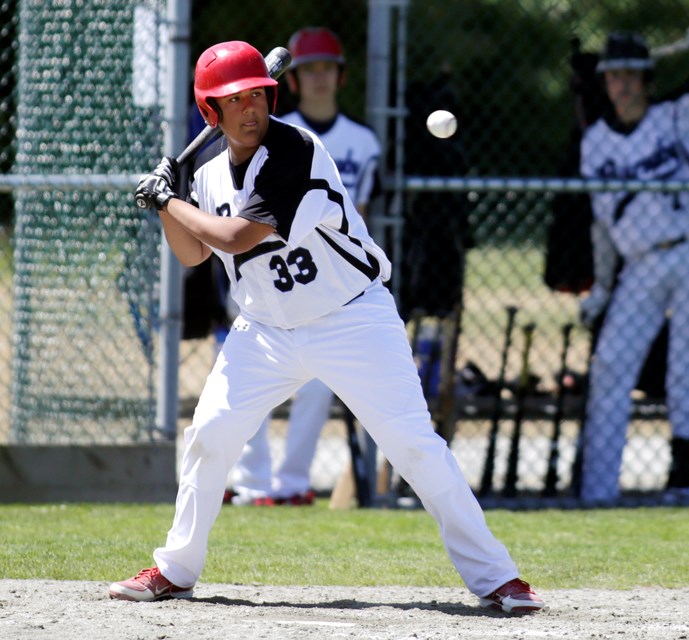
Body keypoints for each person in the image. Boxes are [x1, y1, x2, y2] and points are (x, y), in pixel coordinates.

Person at [108, 41, 543, 614]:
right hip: (264, 329)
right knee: (210, 437)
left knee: (414, 446)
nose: (250, 110)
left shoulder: (296, 151)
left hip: (352, 319)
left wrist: (170, 196)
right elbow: (191, 253)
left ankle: (497, 578)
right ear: (209, 113)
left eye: (257, 96)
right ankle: (176, 569)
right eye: (233, 101)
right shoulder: (209, 173)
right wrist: (169, 206)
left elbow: (236, 237)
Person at [577, 0, 689, 504]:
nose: (622, 83)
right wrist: (601, 287)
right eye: (614, 75)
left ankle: (680, 480)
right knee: (612, 363)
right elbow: (602, 226)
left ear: (646, 78)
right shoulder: (595, 142)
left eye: (631, 74)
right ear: (605, 82)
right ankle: (598, 489)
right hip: (641, 262)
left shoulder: (676, 117)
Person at [226, 27, 383, 506]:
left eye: (326, 68)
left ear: (341, 76)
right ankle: (251, 483)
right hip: (262, 264)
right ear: (292, 81)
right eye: (309, 69)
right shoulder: (272, 129)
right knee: (247, 382)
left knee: (317, 384)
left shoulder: (363, 141)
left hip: (325, 268)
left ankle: (292, 484)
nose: (318, 78)